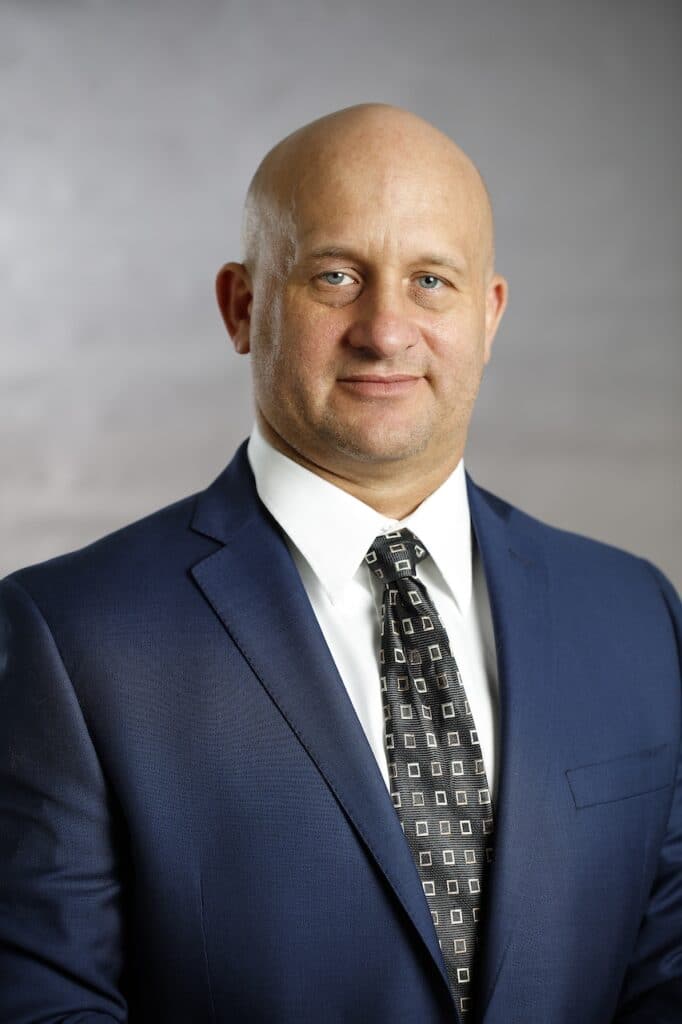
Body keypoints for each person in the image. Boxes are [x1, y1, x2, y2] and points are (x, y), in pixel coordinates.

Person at [0, 103, 679, 1024]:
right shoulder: (71, 641)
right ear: (243, 306)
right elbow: (43, 1006)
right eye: (334, 275)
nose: (385, 329)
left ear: (490, 314)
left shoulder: (636, 614)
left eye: (432, 280)